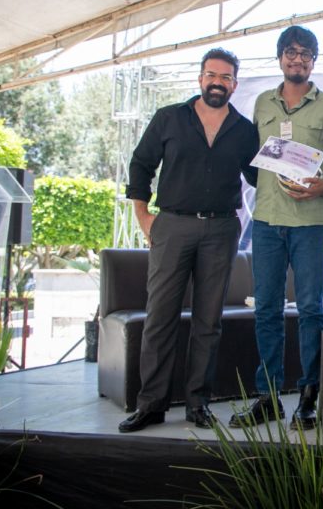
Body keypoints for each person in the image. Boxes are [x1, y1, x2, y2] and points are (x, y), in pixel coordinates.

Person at [118, 47, 259, 433]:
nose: (218, 82)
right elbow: (140, 164)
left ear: (234, 84)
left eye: (226, 77)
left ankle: (199, 404)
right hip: (172, 226)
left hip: (221, 230)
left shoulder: (245, 130)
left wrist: (295, 171)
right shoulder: (169, 118)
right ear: (201, 78)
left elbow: (258, 176)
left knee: (208, 321)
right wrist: (143, 215)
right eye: (212, 75)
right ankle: (151, 405)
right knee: (159, 317)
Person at [230, 26, 323, 430]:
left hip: (312, 224)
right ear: (280, 57)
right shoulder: (262, 102)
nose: (297, 60)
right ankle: (269, 396)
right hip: (266, 222)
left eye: (306, 54)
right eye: (291, 52)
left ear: (314, 60)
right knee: (266, 310)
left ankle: (310, 395)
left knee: (312, 309)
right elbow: (253, 158)